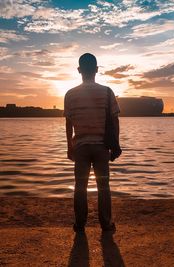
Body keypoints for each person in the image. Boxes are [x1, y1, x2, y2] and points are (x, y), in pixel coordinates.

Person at [64, 53, 120, 233]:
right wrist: (115, 144)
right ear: (96, 70)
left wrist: (69, 146)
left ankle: (80, 224)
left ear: (79, 70)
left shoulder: (70, 94)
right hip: (101, 146)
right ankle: (106, 223)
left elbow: (69, 123)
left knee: (80, 187)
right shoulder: (107, 92)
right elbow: (115, 119)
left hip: (80, 147)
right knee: (104, 186)